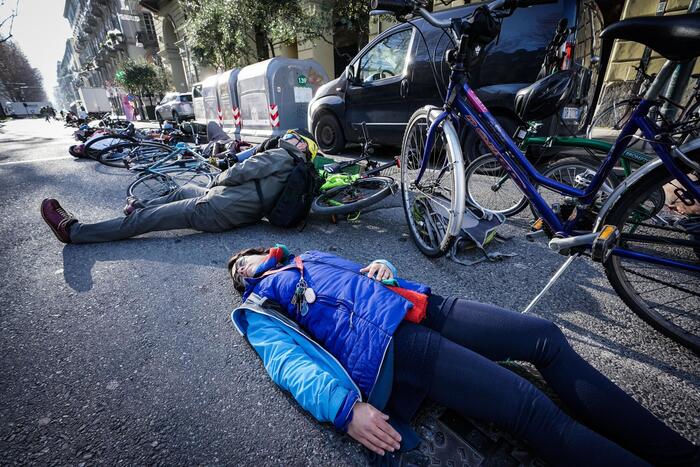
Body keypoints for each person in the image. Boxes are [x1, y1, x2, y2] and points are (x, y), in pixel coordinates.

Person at [228, 246, 699, 466]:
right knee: (533, 412)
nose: (244, 263)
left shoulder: (308, 255)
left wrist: (382, 267)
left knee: (545, 338)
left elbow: (367, 272)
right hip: (394, 346)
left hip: (419, 304)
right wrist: (345, 410)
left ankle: (680, 456)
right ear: (245, 281)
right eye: (239, 269)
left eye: (244, 257)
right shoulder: (260, 305)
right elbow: (288, 364)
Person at [40, 129, 318, 244]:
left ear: (301, 146)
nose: (286, 137)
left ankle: (75, 232)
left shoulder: (284, 155)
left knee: (146, 221)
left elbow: (242, 171)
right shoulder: (298, 171)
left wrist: (219, 177)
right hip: (234, 208)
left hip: (216, 206)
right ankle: (140, 204)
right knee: (183, 189)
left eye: (292, 137)